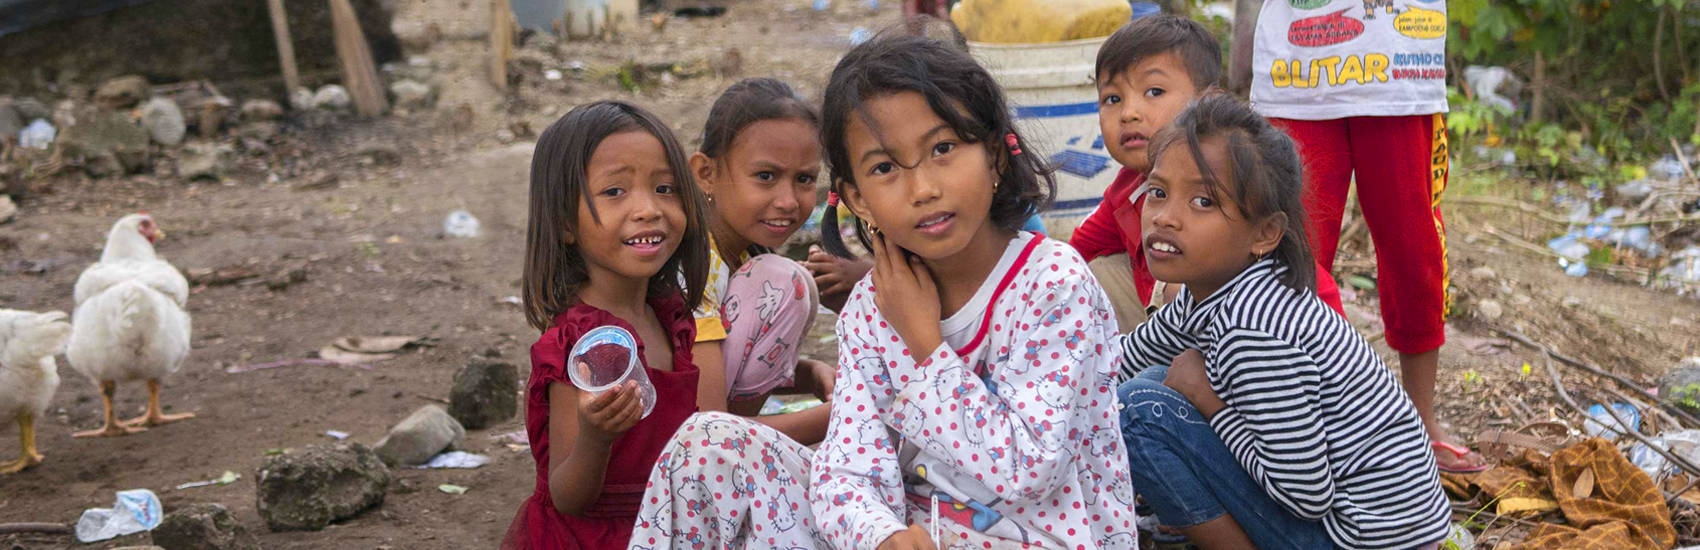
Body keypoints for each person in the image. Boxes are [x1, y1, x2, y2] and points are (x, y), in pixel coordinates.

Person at [808, 35, 1137, 549]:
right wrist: (881, 535)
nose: (923, 189)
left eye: (943, 149)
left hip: (1040, 538)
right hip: (917, 536)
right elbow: (846, 469)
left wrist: (925, 346)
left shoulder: (1051, 283)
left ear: (995, 155)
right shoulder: (871, 310)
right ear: (857, 201)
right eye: (885, 168)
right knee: (714, 445)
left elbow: (1028, 470)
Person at [1114, 94, 1449, 549]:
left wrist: (1209, 402)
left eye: (1203, 201)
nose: (1165, 217)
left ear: (1265, 233)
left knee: (1138, 411)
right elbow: (1121, 359)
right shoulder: (1217, 288)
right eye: (1158, 192)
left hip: (1362, 539)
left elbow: (1306, 496)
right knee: (1152, 381)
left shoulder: (1253, 331)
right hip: (1360, 527)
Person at [1240, 0, 1479, 472]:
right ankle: (1297, 427)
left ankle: (1421, 423)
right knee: (1289, 253)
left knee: (1415, 251)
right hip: (1299, 73)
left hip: (1400, 68)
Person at [501, 100, 711, 549]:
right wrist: (596, 438)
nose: (648, 209)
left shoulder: (670, 317)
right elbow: (567, 496)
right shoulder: (578, 345)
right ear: (564, 224)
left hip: (673, 525)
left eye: (666, 188)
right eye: (615, 192)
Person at [1071, 14, 1345, 334]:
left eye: (1154, 91)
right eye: (1112, 99)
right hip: (1175, 327)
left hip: (1269, 339)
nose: (1129, 113)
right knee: (1091, 273)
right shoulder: (1127, 189)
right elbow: (1072, 254)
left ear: (1208, 102)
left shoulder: (1234, 178)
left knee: (1181, 286)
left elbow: (1295, 295)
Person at [689, 78, 834, 445]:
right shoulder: (693, 267)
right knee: (784, 283)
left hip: (708, 433)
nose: (788, 200)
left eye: (804, 179)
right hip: (692, 448)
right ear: (707, 173)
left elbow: (722, 364)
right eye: (765, 176)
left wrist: (811, 373)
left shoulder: (740, 251)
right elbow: (709, 429)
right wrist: (843, 418)